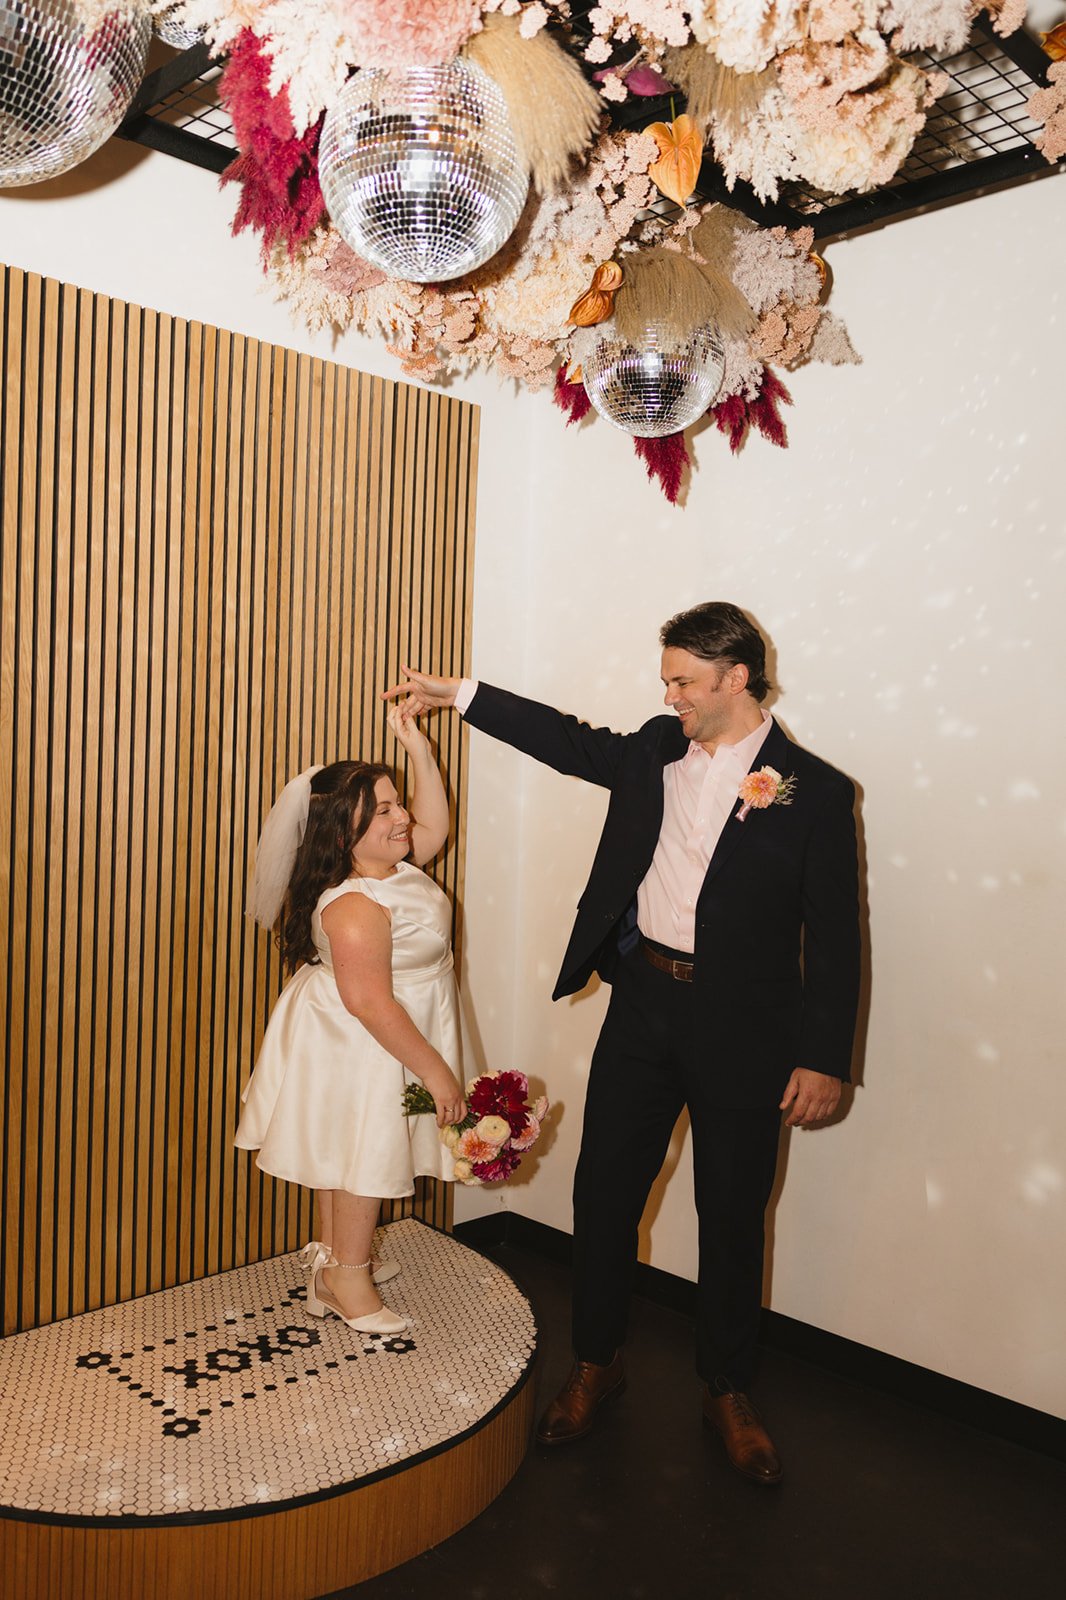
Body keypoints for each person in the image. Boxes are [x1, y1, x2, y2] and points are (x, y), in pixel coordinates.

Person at [384, 602, 860, 1483]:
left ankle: (726, 1388)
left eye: (683, 679)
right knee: (604, 1195)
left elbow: (836, 935)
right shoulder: (652, 748)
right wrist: (460, 695)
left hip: (748, 1034)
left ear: (736, 678)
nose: (668, 692)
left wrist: (825, 1056)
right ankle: (595, 1366)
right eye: (667, 678)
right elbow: (566, 740)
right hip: (644, 1009)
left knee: (730, 1212)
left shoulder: (817, 791)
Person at [235, 703, 467, 1335]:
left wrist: (416, 745)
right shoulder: (356, 905)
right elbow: (370, 1002)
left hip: (376, 1025)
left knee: (346, 1146)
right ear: (343, 835)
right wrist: (438, 1076)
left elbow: (435, 828)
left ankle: (334, 1264)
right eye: (385, 811)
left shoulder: (389, 866)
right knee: (362, 1152)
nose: (405, 818)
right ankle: (349, 1276)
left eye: (398, 803)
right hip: (362, 1034)